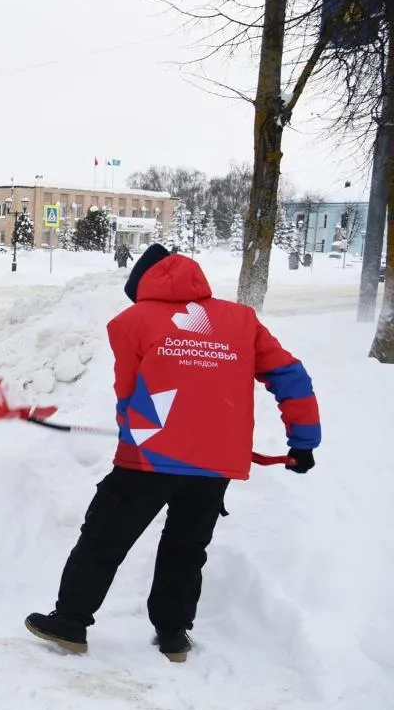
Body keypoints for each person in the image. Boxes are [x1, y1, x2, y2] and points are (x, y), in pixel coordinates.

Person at [24, 244, 320, 662]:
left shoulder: (131, 321)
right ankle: (174, 636)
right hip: (215, 462)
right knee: (186, 546)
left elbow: (128, 392)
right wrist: (303, 441)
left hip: (149, 457)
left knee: (104, 536)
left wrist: (133, 425)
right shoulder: (241, 320)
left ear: (141, 286)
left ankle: (70, 622)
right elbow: (291, 376)